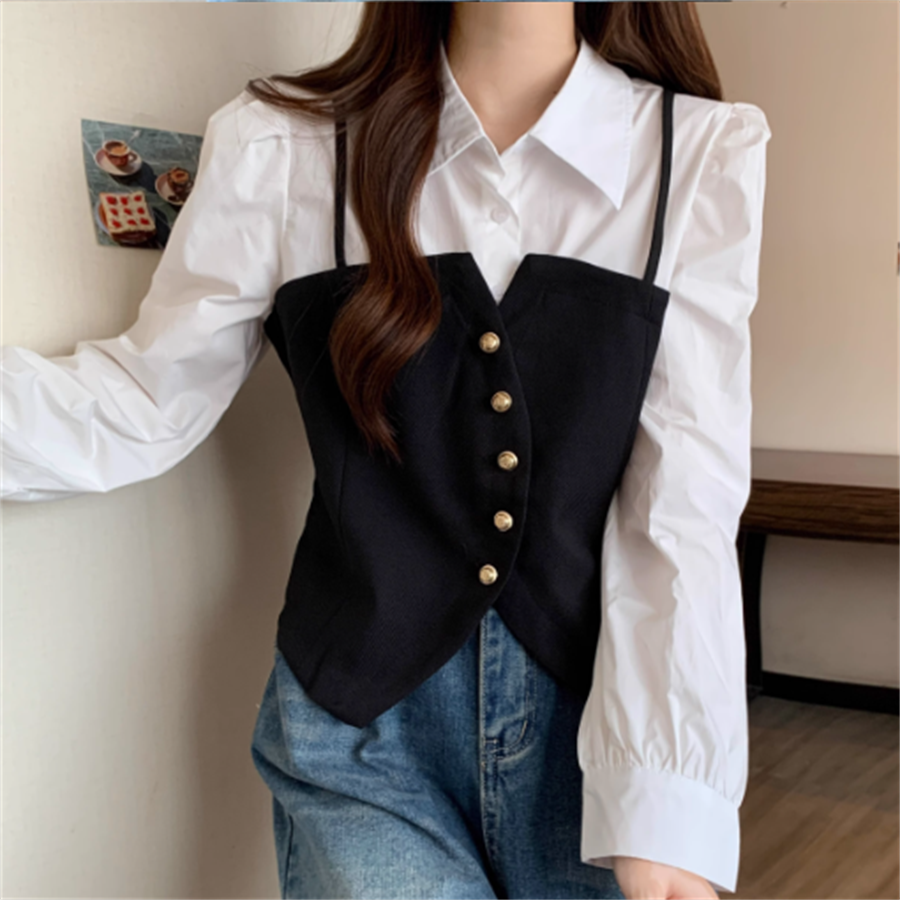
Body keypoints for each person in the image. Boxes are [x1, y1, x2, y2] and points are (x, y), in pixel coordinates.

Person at [1, 3, 772, 899]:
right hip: (358, 738)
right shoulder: (285, 147)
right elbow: (143, 401)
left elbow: (680, 501)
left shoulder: (696, 155)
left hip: (600, 735)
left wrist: (668, 790)